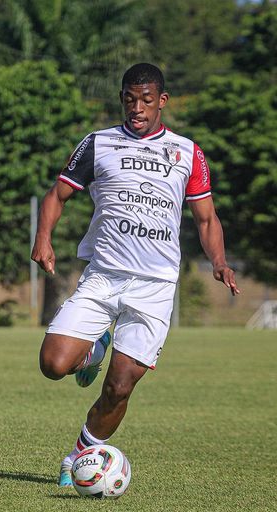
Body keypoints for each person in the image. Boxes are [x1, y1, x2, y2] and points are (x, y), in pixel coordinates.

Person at [31, 63, 240, 487]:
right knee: (53, 365)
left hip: (155, 286)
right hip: (103, 276)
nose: (137, 108)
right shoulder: (97, 143)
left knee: (120, 387)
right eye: (130, 99)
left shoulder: (187, 152)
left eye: (146, 100)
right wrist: (44, 238)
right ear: (122, 98)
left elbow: (206, 218)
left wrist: (218, 261)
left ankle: (80, 456)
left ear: (162, 101)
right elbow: (57, 195)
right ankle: (92, 350)